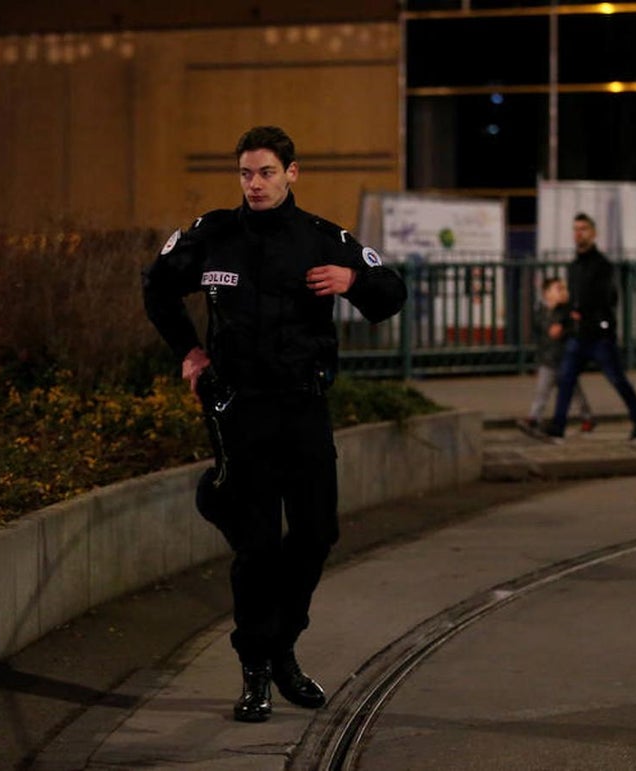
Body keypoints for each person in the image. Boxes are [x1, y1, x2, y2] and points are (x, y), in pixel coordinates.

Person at [141, 125, 407, 723]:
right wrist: (190, 351)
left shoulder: (321, 238)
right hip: (241, 409)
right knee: (257, 547)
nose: (254, 184)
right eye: (245, 173)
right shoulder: (213, 235)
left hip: (303, 408)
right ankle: (256, 669)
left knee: (317, 534)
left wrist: (353, 282)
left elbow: (392, 292)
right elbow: (157, 288)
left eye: (265, 173)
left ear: (292, 173)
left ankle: (282, 644)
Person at [545, 212, 636, 440]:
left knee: (617, 379)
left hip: (599, 335)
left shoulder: (603, 265)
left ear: (593, 233)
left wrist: (587, 312)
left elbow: (609, 297)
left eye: (583, 229)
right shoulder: (573, 267)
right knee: (566, 378)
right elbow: (572, 299)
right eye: (575, 229)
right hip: (578, 334)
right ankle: (558, 425)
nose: (578, 234)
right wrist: (564, 321)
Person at [517, 277, 594, 436]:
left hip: (566, 359)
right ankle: (534, 418)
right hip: (548, 360)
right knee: (542, 391)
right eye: (559, 289)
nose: (564, 292)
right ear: (547, 294)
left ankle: (587, 417)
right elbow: (540, 336)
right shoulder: (541, 313)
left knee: (574, 392)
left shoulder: (569, 312)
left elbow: (576, 331)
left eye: (565, 289)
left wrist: (565, 330)